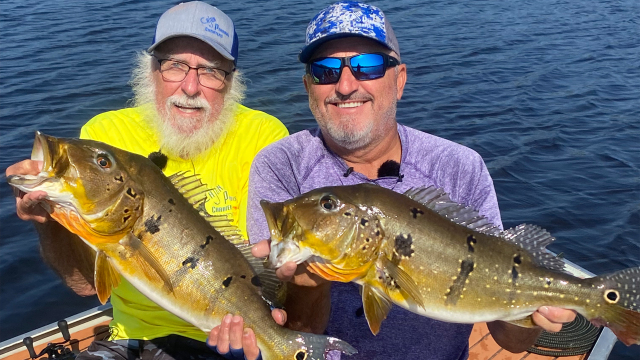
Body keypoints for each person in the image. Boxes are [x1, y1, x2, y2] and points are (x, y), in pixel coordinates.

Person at [224, 2, 576, 359]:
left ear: (400, 80)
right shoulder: (281, 167)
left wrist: (544, 307)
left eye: (368, 66)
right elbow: (291, 336)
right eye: (325, 70)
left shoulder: (460, 167)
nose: (345, 85)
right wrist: (308, 285)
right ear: (308, 86)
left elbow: (513, 343)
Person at [7, 2, 288, 359]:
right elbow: (86, 286)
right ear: (151, 70)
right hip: (133, 340)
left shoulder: (264, 137)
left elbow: (266, 274)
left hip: (231, 342)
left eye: (211, 71)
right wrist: (48, 221)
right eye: (174, 66)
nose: (190, 86)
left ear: (231, 81)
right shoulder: (105, 133)